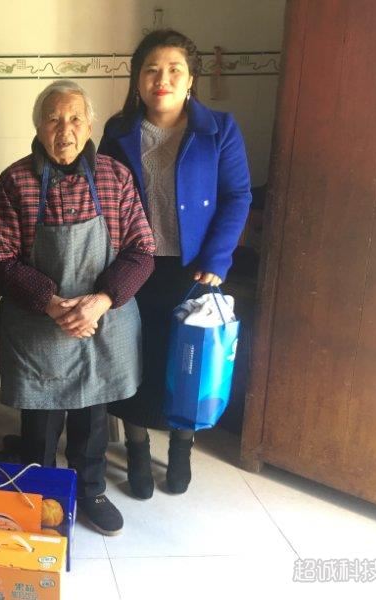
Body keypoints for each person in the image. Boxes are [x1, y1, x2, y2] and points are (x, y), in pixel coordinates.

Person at [0, 80, 156, 536]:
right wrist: (51, 303)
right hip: (40, 323)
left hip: (103, 320)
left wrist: (101, 300)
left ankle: (91, 489)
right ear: (38, 127)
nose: (65, 130)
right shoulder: (15, 181)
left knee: (92, 412)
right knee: (40, 417)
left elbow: (142, 251)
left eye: (75, 118)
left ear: (90, 124)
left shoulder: (115, 178)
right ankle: (40, 496)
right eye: (54, 119)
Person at [99, 29, 252, 499]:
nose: (161, 79)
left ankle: (182, 449)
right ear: (137, 79)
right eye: (151, 69)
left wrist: (218, 258)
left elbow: (237, 195)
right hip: (134, 267)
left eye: (173, 70)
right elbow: (103, 196)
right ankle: (138, 450)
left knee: (190, 364)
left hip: (194, 270)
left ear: (190, 80)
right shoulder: (118, 131)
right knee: (134, 362)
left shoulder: (219, 129)